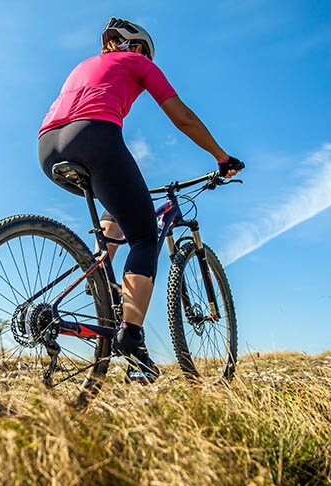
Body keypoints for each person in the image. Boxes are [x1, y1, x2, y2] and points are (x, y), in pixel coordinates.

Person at [37, 17, 243, 382]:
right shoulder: (140, 62)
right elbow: (182, 117)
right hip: (93, 135)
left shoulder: (86, 65)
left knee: (117, 207)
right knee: (146, 237)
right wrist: (221, 157)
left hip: (47, 146)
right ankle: (131, 336)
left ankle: (101, 276)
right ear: (140, 48)